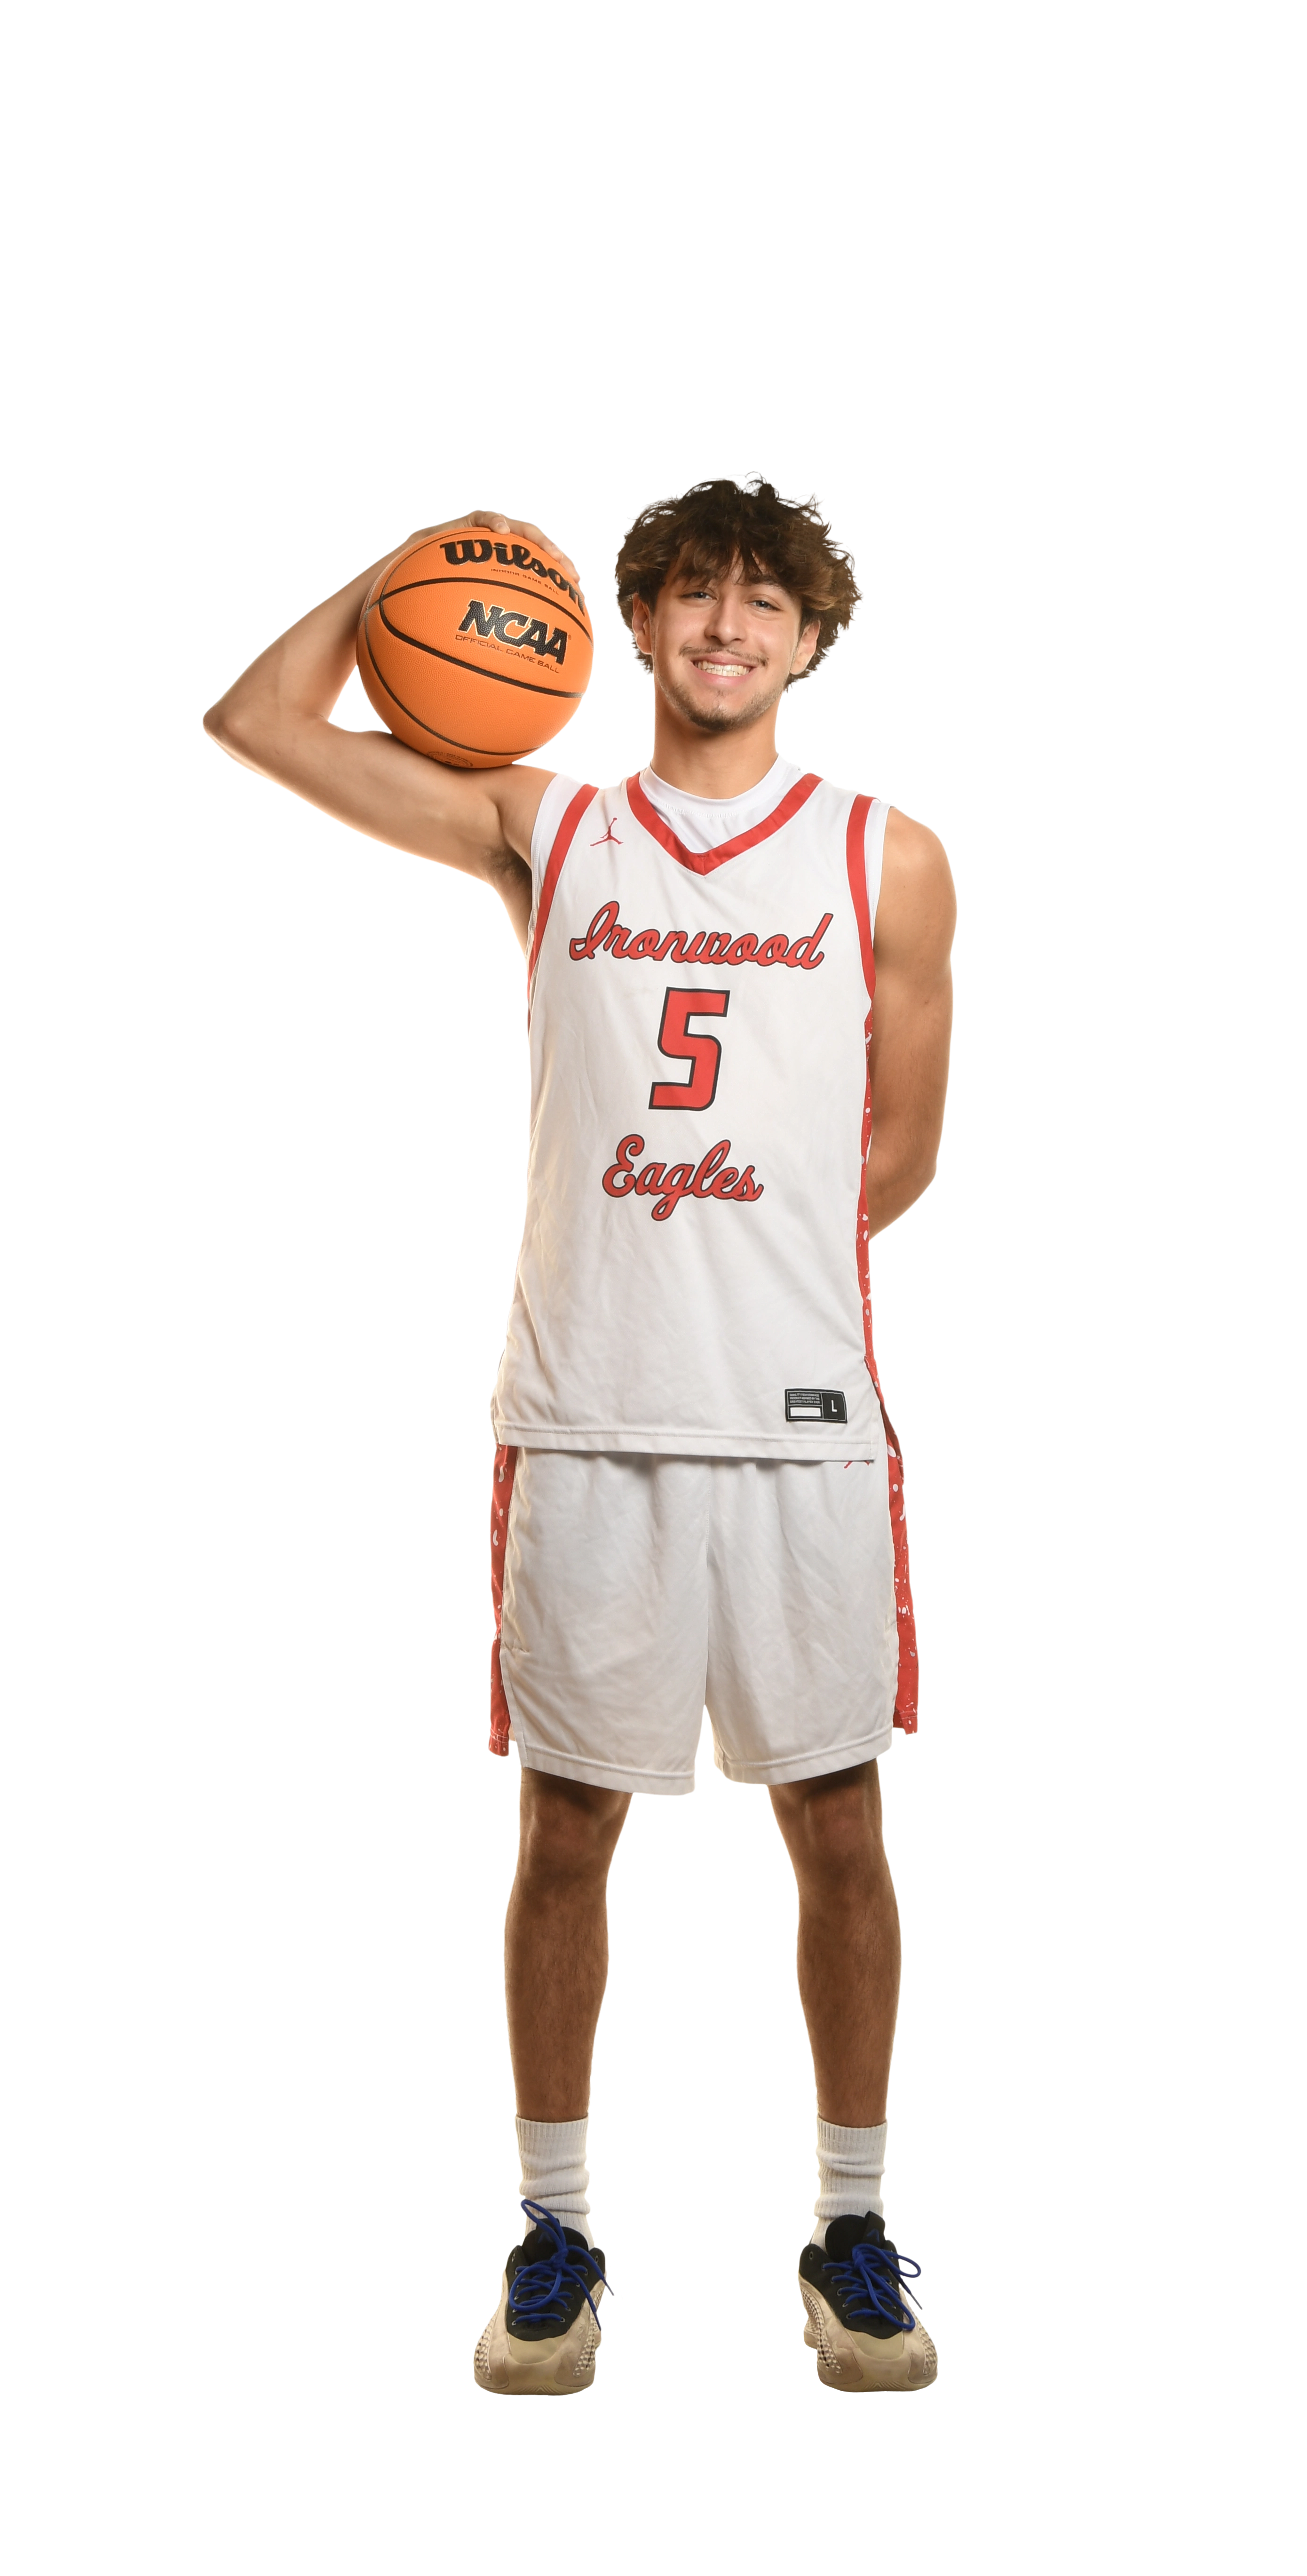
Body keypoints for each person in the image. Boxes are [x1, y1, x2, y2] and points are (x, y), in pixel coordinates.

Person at [203, 473, 957, 2394]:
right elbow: (259, 721)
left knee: (842, 1825)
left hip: (800, 1422)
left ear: (814, 634)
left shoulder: (886, 855)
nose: (726, 625)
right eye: (691, 591)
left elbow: (896, 1160)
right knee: (565, 1830)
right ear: (629, 618)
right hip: (586, 1407)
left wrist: (740, 1245)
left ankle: (853, 2225)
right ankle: (553, 2233)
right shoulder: (545, 828)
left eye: (766, 599)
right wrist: (410, 573)